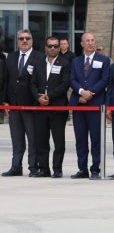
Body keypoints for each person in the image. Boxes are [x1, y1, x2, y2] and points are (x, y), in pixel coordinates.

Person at [69, 32, 110, 179]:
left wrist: (90, 92)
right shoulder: (76, 61)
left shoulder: (104, 60)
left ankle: (95, 169)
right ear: (82, 43)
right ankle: (82, 168)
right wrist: (80, 91)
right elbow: (72, 79)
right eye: (88, 41)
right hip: (79, 105)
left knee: (96, 139)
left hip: (95, 105)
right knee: (80, 139)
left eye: (93, 40)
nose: (91, 43)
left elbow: (104, 80)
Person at [2, 29, 42, 177]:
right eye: (21, 38)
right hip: (13, 105)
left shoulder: (39, 57)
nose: (24, 41)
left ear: (32, 40)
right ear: (17, 41)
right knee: (17, 139)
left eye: (27, 38)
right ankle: (16, 166)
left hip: (31, 106)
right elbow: (6, 80)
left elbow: (41, 81)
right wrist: (5, 101)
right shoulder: (11, 57)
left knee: (33, 139)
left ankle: (33, 167)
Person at [30, 36, 71, 178]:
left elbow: (65, 85)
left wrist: (49, 97)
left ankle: (57, 169)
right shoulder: (38, 62)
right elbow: (32, 83)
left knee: (59, 141)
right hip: (40, 108)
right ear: (45, 47)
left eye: (55, 46)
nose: (52, 48)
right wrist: (38, 97)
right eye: (50, 46)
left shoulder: (65, 63)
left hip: (58, 108)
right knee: (41, 140)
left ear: (59, 48)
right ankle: (44, 169)